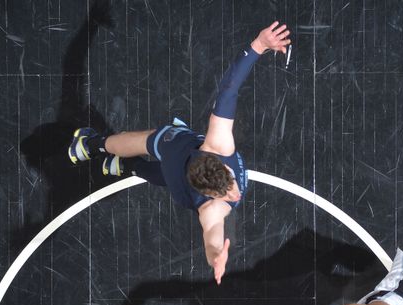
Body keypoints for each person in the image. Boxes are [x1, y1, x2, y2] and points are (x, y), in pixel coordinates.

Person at [67, 22, 291, 284]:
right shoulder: (209, 207)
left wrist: (258, 46)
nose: (235, 193)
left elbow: (229, 90)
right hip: (176, 171)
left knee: (145, 142)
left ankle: (91, 146)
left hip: (173, 147)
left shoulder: (218, 147)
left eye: (229, 186)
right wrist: (216, 256)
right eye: (228, 192)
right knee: (154, 164)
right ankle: (112, 159)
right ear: (209, 193)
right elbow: (212, 242)